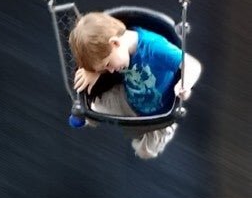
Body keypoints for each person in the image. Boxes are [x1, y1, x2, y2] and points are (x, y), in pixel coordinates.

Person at [68, 12, 202, 159]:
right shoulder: (115, 51)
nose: (111, 71)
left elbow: (192, 65)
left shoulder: (154, 47)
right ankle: (87, 116)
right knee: (96, 106)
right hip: (129, 98)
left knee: (145, 152)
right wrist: (94, 71)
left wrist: (185, 84)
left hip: (159, 112)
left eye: (108, 65)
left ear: (115, 43)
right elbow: (98, 52)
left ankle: (163, 130)